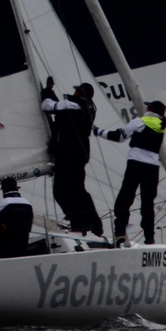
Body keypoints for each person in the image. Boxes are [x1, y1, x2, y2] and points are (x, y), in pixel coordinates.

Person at [97, 101, 166, 246]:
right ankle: (149, 236)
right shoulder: (161, 126)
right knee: (148, 203)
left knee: (125, 197)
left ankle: (120, 231)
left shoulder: (140, 122)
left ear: (150, 109)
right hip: (153, 167)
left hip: (136, 163)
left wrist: (98, 131)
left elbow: (118, 136)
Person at [40, 78, 102, 235]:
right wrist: (51, 91)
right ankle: (95, 225)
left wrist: (46, 91)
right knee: (79, 189)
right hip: (80, 153)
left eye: (77, 90)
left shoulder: (73, 104)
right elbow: (60, 107)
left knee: (61, 190)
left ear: (79, 92)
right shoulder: (87, 107)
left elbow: (47, 106)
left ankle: (80, 222)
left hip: (67, 152)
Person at [0, 177, 36, 258]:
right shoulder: (27, 203)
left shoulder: (3, 204)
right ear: (17, 189)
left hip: (5, 246)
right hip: (23, 243)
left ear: (4, 190)